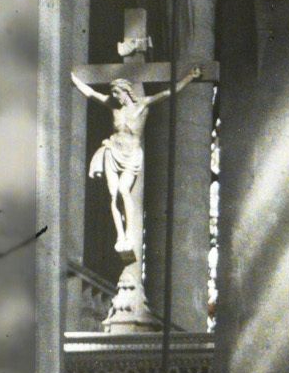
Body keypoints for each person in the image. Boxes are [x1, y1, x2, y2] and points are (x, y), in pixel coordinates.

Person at [73, 66, 201, 261]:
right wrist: (73, 79)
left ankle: (130, 235)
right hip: (113, 152)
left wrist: (189, 77)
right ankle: (120, 236)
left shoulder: (142, 104)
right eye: (113, 94)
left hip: (131, 155)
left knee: (124, 191)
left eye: (118, 93)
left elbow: (168, 92)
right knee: (113, 195)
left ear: (126, 91)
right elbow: (91, 94)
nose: (115, 97)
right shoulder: (113, 105)